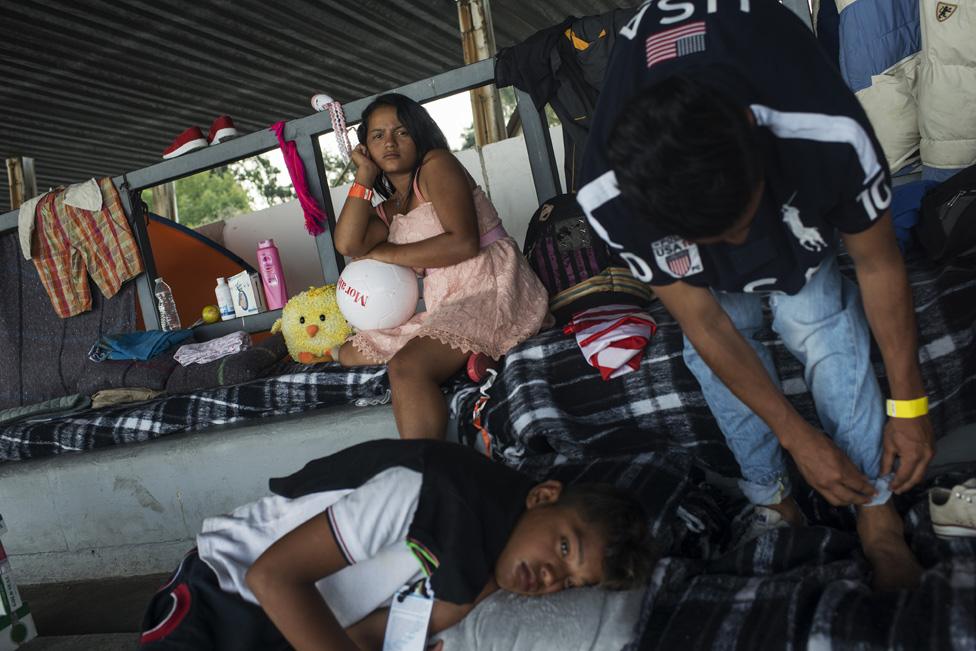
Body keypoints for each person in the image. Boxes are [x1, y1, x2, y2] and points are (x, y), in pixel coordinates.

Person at [577, 0, 933, 591]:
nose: (743, 251)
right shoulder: (609, 197)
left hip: (783, 185)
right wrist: (798, 438)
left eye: (741, 223)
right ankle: (773, 502)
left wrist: (911, 405)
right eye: (719, 239)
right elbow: (708, 327)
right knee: (721, 339)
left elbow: (876, 265)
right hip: (704, 217)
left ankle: (877, 513)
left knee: (820, 318)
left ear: (751, 129)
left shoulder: (827, 130)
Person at [139, 440, 653, 650]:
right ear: (542, 496)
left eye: (569, 582)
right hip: (222, 592)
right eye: (563, 550)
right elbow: (270, 577)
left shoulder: (487, 574)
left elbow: (369, 633)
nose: (550, 579)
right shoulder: (427, 491)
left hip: (296, 631)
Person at [332, 94, 549, 440]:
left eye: (401, 132)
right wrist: (364, 174)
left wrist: (385, 254)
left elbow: (463, 242)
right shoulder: (390, 209)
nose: (389, 142)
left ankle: (426, 470)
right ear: (367, 147)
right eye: (377, 136)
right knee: (349, 353)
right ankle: (477, 357)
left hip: (489, 284)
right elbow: (346, 244)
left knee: (406, 367)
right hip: (446, 300)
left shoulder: (436, 165)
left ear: (420, 135)